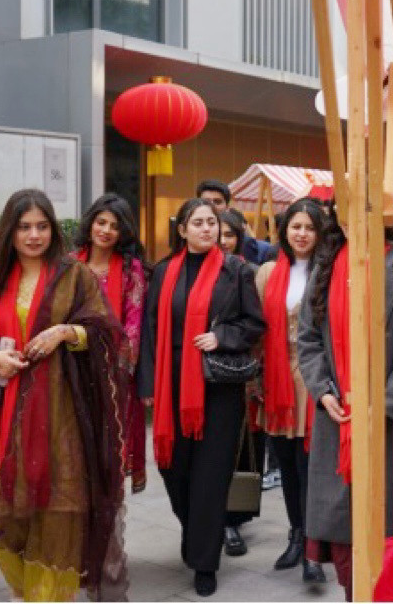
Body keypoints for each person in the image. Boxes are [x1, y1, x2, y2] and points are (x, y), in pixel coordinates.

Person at [0, 189, 128, 602]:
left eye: (42, 226)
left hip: (63, 413)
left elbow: (108, 332)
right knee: (4, 510)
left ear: (53, 230)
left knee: (59, 508)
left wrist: (65, 332)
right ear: (10, 231)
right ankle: (25, 590)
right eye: (24, 227)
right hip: (6, 413)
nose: (34, 235)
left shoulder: (75, 276)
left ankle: (48, 596)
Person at [297, 202, 393, 600]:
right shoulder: (326, 266)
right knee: (347, 536)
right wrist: (323, 390)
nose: (356, 217)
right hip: (338, 414)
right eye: (345, 207)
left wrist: (383, 405)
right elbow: (308, 338)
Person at [139, 198, 266, 597]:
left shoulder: (236, 270)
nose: (207, 228)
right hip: (171, 382)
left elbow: (254, 323)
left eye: (212, 222)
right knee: (173, 469)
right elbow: (149, 329)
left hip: (217, 386)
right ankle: (196, 532)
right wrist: (148, 384)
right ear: (182, 230)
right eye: (198, 222)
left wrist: (221, 336)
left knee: (211, 476)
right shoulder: (164, 271)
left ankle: (205, 562)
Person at [254, 199, 327, 583]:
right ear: (284, 231)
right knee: (286, 465)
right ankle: (296, 534)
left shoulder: (328, 271)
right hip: (276, 377)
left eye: (310, 228)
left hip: (313, 378)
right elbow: (256, 329)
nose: (302, 234)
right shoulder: (267, 272)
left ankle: (314, 546)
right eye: (296, 227)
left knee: (310, 466)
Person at [72, 193, 149, 492]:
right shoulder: (69, 265)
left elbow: (133, 324)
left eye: (114, 226)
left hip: (114, 377)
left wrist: (114, 368)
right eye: (101, 222)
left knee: (109, 458)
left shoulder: (131, 270)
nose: (105, 230)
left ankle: (107, 514)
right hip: (72, 368)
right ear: (90, 223)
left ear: (123, 233)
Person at [214, 208, 267, 557]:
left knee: (239, 449)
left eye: (230, 234)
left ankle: (232, 520)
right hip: (199, 375)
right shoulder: (187, 271)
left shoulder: (249, 272)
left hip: (238, 370)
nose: (223, 241)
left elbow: (257, 325)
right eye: (218, 233)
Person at [196, 179, 273, 265]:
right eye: (206, 202)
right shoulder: (191, 239)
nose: (212, 206)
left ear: (227, 207)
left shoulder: (248, 245)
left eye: (217, 202)